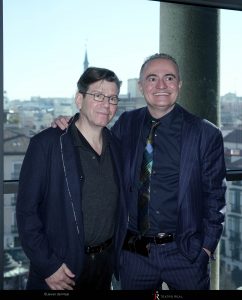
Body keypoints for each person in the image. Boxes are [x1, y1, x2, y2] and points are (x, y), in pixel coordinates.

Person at [51, 53, 227, 290]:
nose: (161, 85)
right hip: (134, 253)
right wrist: (70, 122)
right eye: (152, 78)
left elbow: (215, 197)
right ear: (141, 85)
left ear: (179, 85)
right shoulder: (126, 123)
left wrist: (205, 248)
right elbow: (96, 137)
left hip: (184, 252)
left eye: (169, 78)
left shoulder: (206, 134)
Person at [16, 67, 126, 290]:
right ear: (79, 99)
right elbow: (26, 212)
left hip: (103, 268)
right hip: (61, 270)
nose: (107, 104)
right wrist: (48, 266)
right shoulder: (47, 144)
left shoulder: (117, 147)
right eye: (98, 95)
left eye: (113, 98)